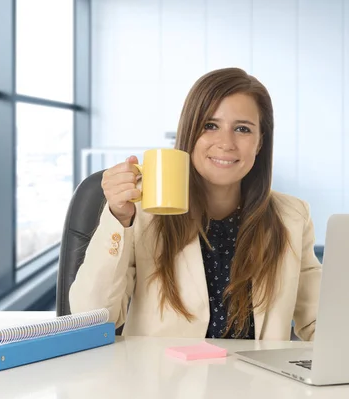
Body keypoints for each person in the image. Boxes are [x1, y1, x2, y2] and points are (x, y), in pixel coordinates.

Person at [69, 67, 322, 341]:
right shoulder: (143, 210)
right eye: (210, 126)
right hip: (162, 380)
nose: (226, 143)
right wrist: (118, 218)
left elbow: (320, 323)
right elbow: (91, 320)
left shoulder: (292, 217)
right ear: (190, 133)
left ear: (260, 143)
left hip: (258, 382)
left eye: (242, 129)